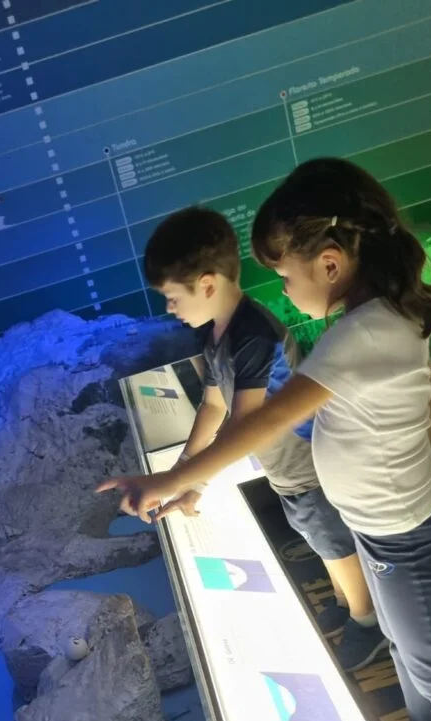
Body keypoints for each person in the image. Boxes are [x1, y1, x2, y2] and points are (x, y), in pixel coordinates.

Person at [99, 158, 431, 721]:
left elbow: (260, 425)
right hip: (384, 524)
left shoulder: (358, 337)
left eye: (286, 276)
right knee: (404, 643)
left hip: (402, 532)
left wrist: (168, 482)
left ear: (329, 263)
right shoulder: (377, 314)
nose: (285, 291)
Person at [142, 206, 384, 672]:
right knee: (318, 535)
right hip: (286, 468)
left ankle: (366, 620)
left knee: (331, 538)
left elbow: (242, 423)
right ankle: (345, 601)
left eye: (172, 297)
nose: (170, 309)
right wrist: (185, 473)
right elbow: (214, 406)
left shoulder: (252, 334)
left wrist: (191, 481)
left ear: (206, 285)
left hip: (309, 461)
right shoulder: (216, 336)